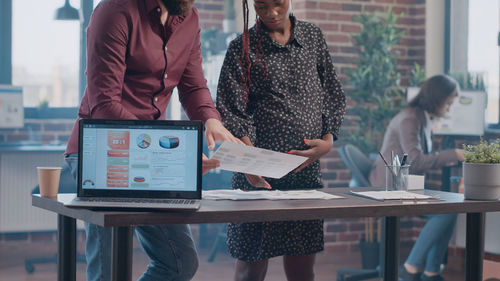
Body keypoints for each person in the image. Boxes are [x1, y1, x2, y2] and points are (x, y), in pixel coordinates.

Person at [64, 0, 242, 280]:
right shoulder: (115, 11)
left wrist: (211, 118)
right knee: (109, 270)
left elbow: (193, 85)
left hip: (151, 154)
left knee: (180, 263)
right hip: (100, 150)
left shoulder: (190, 18)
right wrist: (168, 152)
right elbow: (103, 104)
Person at [216, 0, 346, 280]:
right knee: (250, 267)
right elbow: (231, 110)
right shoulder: (242, 48)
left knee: (302, 269)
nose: (271, 13)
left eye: (278, 3)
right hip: (258, 177)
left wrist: (327, 141)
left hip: (304, 173)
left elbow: (332, 93)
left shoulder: (312, 37)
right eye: (261, 6)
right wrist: (249, 163)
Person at [369, 74, 465, 281]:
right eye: (449, 102)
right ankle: (411, 268)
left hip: (405, 183)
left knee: (450, 208)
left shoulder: (422, 116)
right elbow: (415, 160)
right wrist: (453, 155)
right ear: (437, 98)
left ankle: (431, 272)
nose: (450, 107)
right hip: (390, 185)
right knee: (447, 210)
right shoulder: (410, 119)